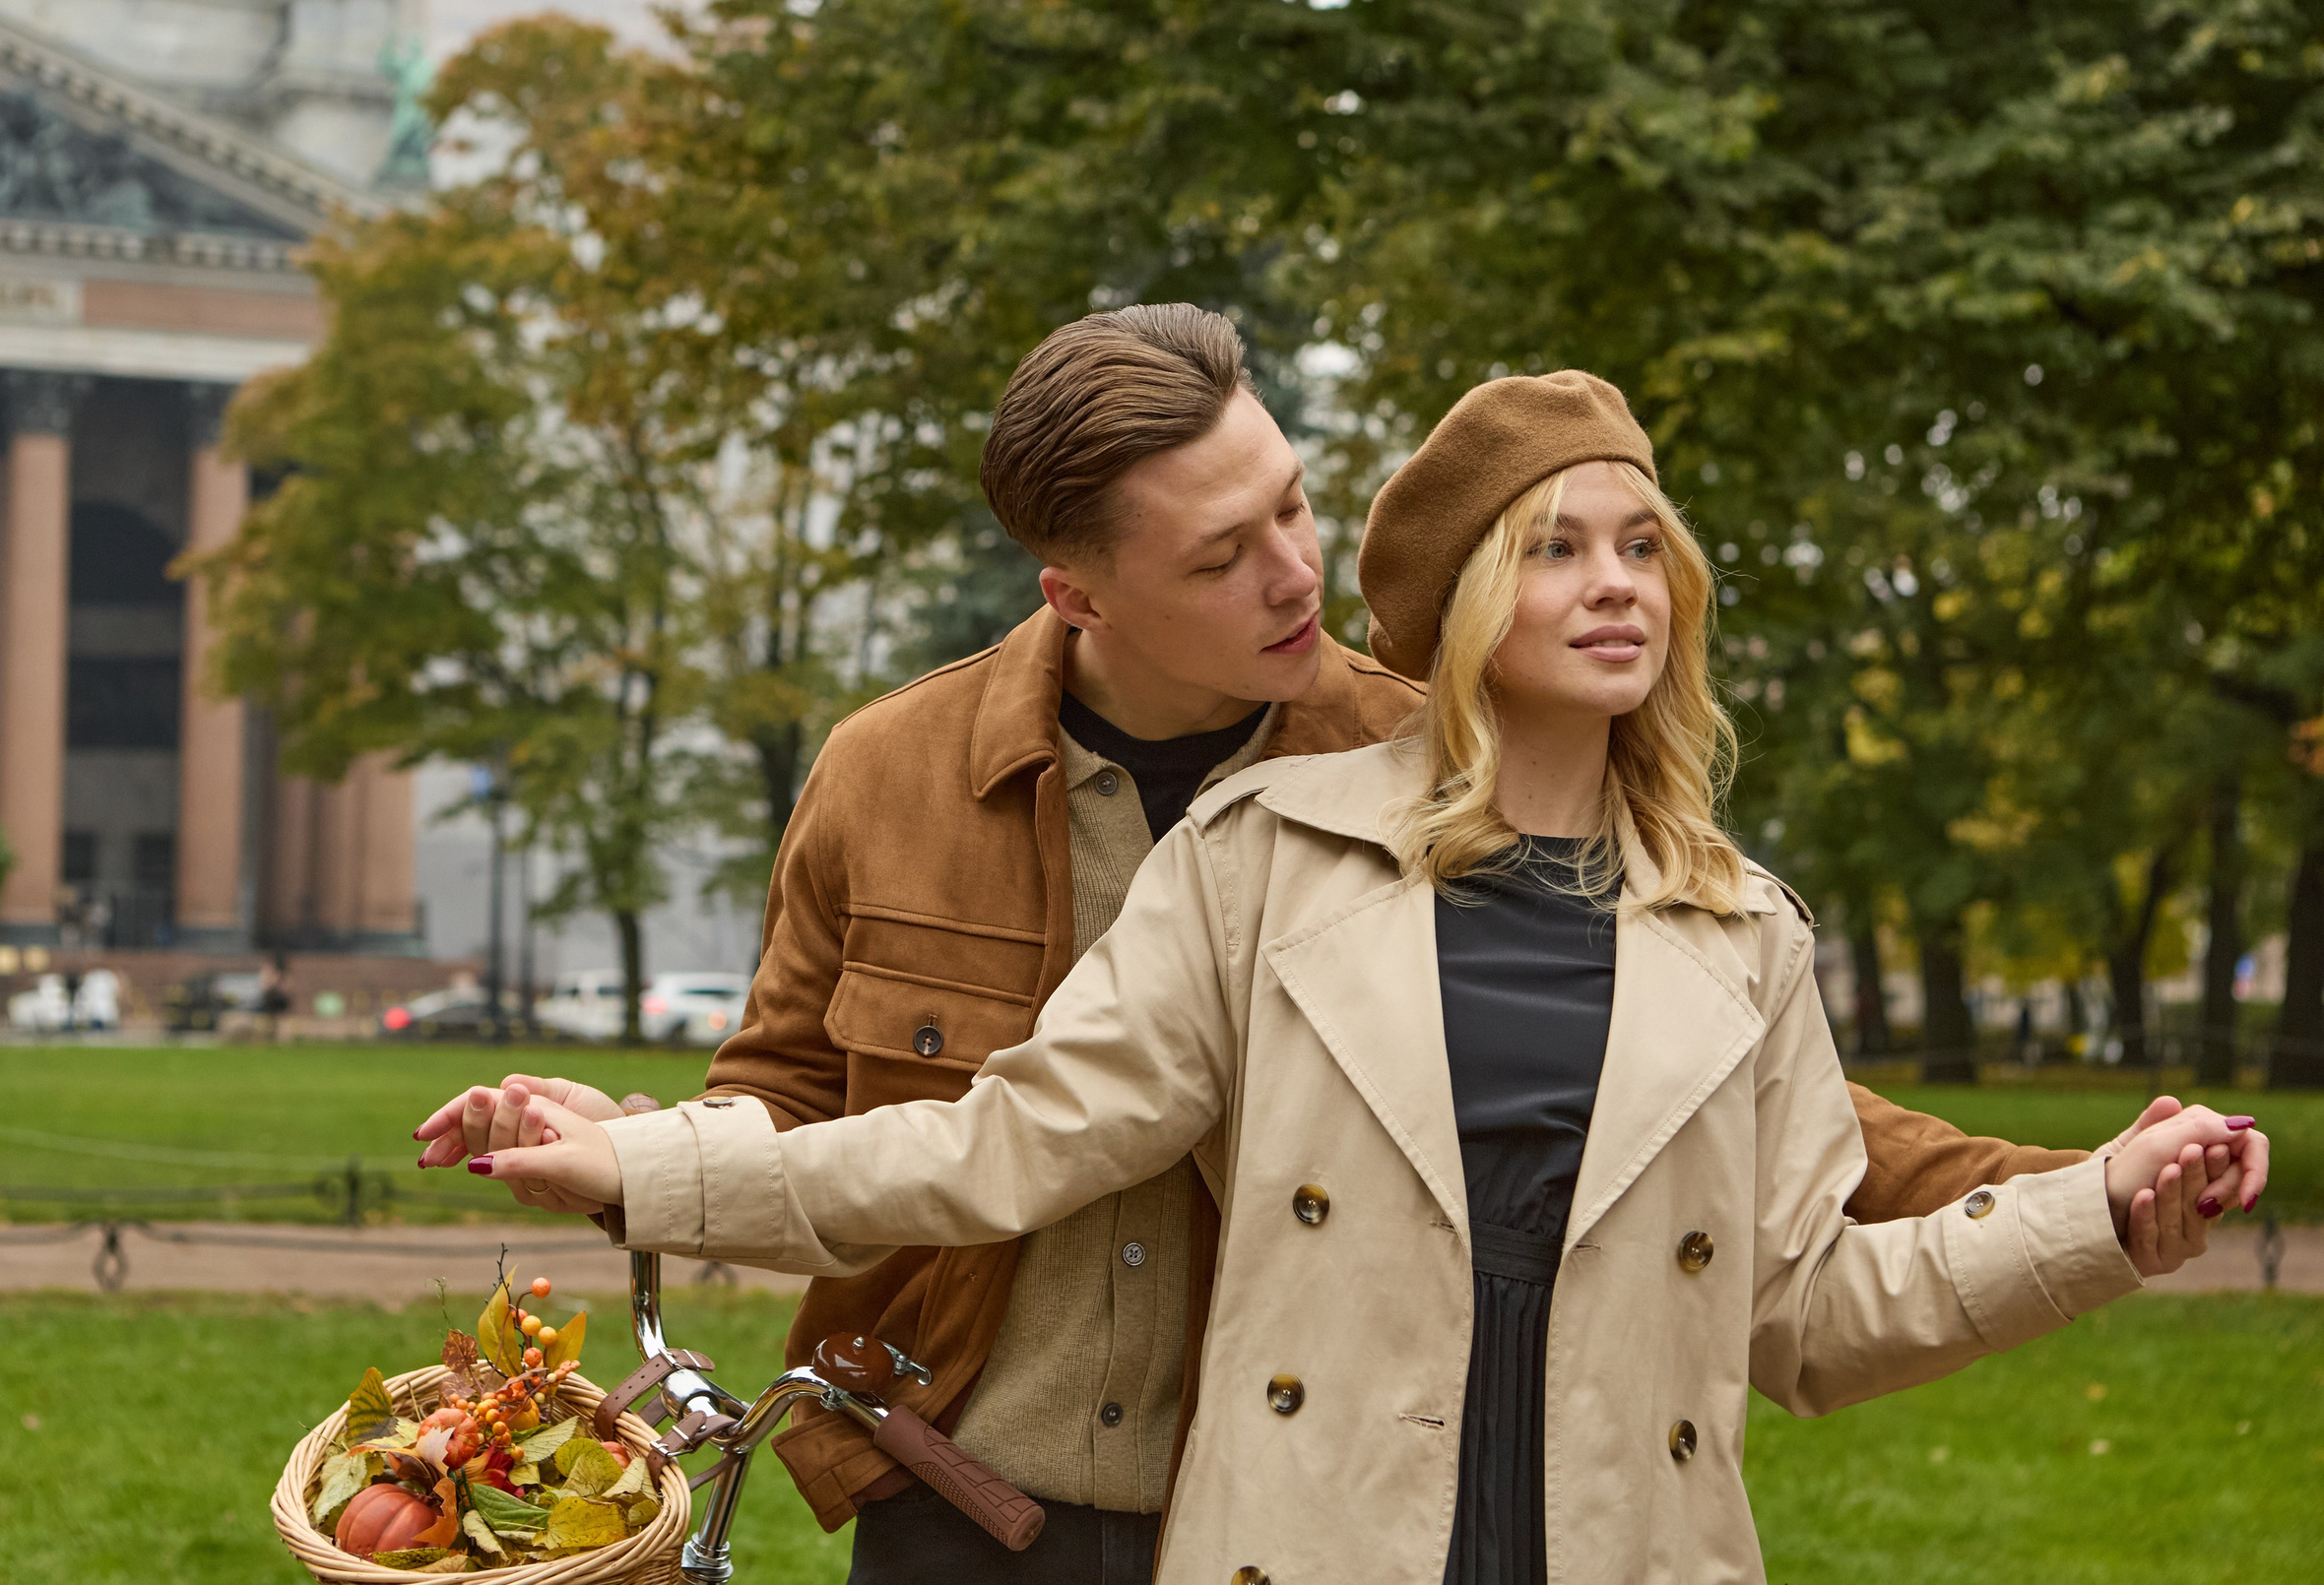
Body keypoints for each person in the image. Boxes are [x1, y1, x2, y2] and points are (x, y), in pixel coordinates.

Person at [415, 324, 2266, 1581]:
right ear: (1083, 590)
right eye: (1226, 554)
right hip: (1001, 1495)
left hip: (1390, 1502)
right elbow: (949, 1132)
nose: (1298, 574)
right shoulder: (1021, 800)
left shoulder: (1604, 863)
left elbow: (1769, 1198)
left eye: (1296, 507)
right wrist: (639, 1158)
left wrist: (2091, 1199)